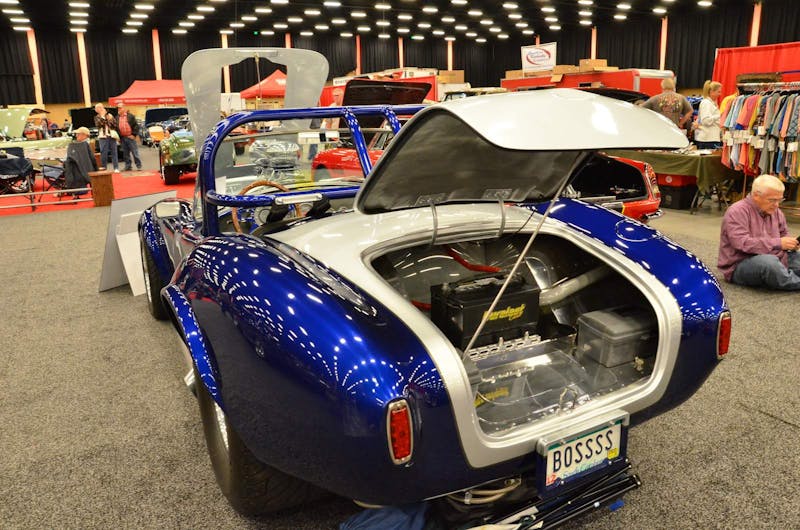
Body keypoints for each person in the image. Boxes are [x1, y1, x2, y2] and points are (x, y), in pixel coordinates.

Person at [718, 174, 800, 290]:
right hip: (740, 263)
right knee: (768, 264)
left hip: (775, 256)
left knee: (793, 257)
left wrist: (791, 243)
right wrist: (778, 243)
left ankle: (786, 277)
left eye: (780, 200)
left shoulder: (776, 211)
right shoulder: (737, 211)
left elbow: (783, 234)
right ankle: (792, 280)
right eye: (772, 200)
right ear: (756, 195)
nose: (777, 205)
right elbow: (742, 243)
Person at [64, 126, 98, 198]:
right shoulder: (86, 144)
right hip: (87, 171)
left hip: (78, 173)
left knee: (51, 170)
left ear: (84, 135)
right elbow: (93, 159)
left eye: (78, 134)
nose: (76, 136)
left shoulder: (78, 146)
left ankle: (65, 188)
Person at [693, 80, 723, 149]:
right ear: (711, 92)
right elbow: (705, 121)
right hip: (707, 140)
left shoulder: (711, 103)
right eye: (718, 92)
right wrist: (720, 116)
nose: (720, 94)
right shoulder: (706, 103)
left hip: (710, 139)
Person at [116, 102, 142, 171]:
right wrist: (119, 137)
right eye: (118, 108)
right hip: (122, 138)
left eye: (120, 108)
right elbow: (116, 128)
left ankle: (139, 165)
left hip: (130, 137)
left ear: (124, 108)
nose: (119, 109)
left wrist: (133, 135)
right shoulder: (117, 117)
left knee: (135, 153)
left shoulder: (130, 116)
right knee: (125, 154)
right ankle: (128, 166)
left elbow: (136, 126)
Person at [94, 103, 119, 173]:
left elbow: (115, 125)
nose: (96, 109)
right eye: (96, 108)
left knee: (114, 152)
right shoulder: (97, 117)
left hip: (111, 136)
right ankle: (104, 167)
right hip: (103, 137)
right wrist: (103, 117)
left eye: (97, 108)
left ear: (101, 108)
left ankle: (116, 168)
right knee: (103, 153)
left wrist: (110, 119)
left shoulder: (110, 115)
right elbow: (99, 125)